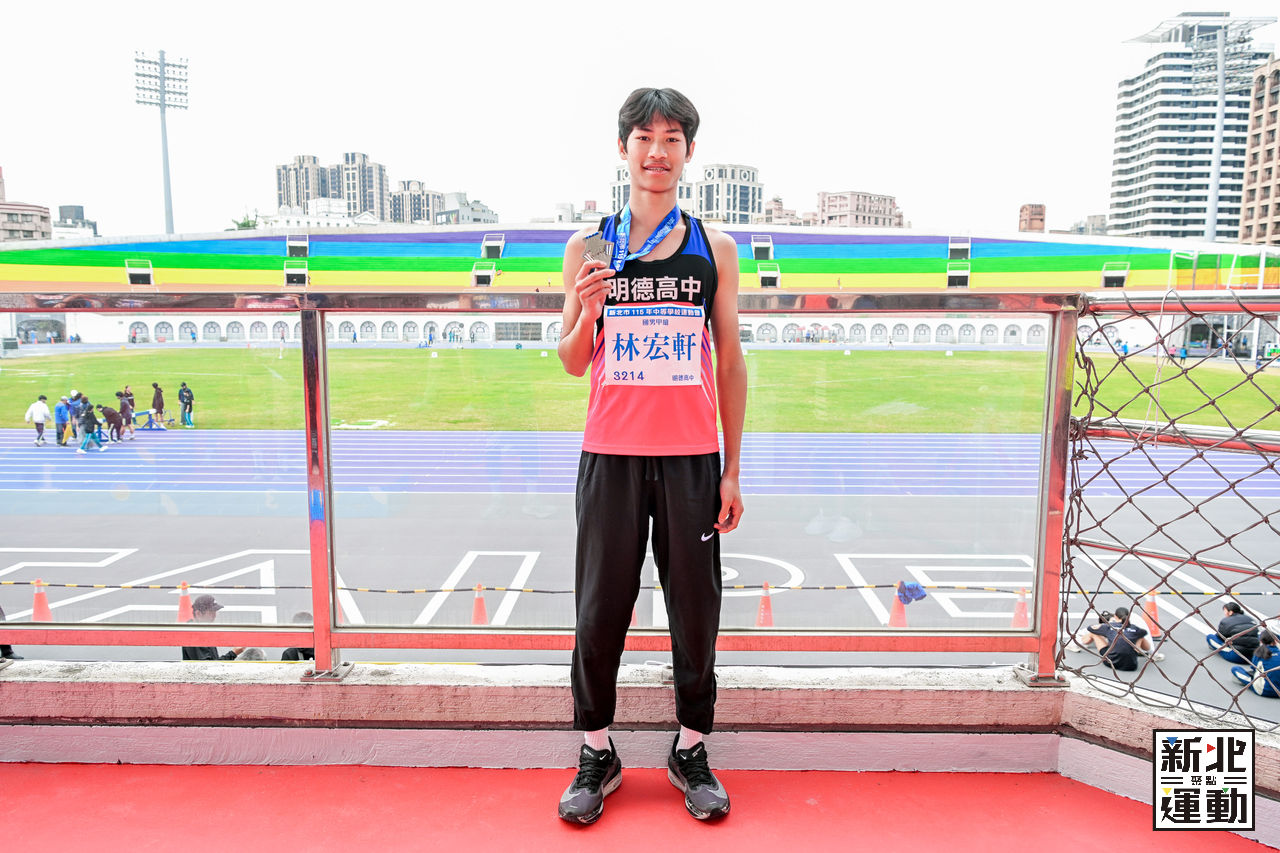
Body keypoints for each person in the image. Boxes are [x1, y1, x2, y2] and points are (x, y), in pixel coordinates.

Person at [555, 88, 745, 825]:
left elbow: (730, 360)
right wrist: (589, 309)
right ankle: (596, 751)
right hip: (610, 454)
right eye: (644, 137)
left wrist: (731, 468)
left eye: (671, 138)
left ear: (689, 152)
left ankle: (690, 747)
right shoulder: (591, 247)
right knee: (600, 605)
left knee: (696, 609)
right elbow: (573, 359)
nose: (657, 151)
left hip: (692, 458)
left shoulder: (713, 248)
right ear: (623, 148)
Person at [1082, 607, 1159, 671]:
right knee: (1139, 636)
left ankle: (1080, 644)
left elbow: (1090, 628)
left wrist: (1105, 631)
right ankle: (1152, 654)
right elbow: (1144, 632)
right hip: (1131, 666)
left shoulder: (1109, 626)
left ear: (1115, 616)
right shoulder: (1134, 627)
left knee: (1093, 633)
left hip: (1110, 663)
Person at [181, 594, 245, 661]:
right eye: (211, 612)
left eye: (215, 612)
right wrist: (233, 653)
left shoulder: (201, 630)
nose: (214, 616)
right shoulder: (195, 635)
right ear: (198, 614)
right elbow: (208, 665)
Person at [1231, 630, 1280, 698]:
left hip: (1265, 690)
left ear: (1261, 641)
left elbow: (1254, 668)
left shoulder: (1260, 652)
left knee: (1235, 669)